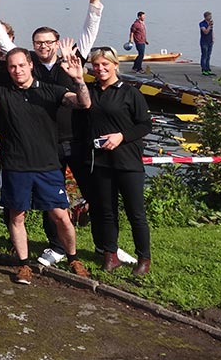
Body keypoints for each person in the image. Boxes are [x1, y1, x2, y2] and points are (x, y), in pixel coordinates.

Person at [0, 0, 104, 268]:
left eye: (49, 42)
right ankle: (56, 246)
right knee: (51, 204)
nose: (44, 46)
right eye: (38, 43)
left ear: (57, 43)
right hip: (45, 145)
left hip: (73, 139)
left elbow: (89, 32)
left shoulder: (71, 60)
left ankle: (104, 247)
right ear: (33, 47)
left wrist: (94, 4)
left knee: (92, 193)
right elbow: (6, 45)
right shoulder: (29, 66)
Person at [0, 43, 92, 284]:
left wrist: (79, 80)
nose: (17, 70)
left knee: (61, 216)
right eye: (13, 67)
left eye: (22, 65)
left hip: (48, 165)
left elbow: (83, 103)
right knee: (17, 217)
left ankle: (73, 258)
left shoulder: (50, 90)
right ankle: (24, 264)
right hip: (16, 166)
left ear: (31, 65)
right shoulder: (2, 92)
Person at [87, 46, 153, 276]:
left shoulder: (130, 93)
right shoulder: (90, 91)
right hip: (102, 162)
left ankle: (144, 258)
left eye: (105, 64)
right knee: (106, 211)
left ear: (115, 65)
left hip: (128, 162)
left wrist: (121, 136)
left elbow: (145, 125)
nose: (100, 68)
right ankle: (110, 255)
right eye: (96, 65)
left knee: (136, 212)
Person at [199, 12, 214, 76]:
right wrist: (209, 26)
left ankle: (208, 69)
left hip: (210, 41)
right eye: (209, 16)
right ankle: (204, 70)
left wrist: (213, 38)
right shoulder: (202, 23)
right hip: (204, 42)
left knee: (208, 56)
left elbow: (211, 31)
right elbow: (205, 32)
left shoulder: (210, 23)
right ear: (206, 17)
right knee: (204, 56)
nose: (210, 17)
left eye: (211, 16)